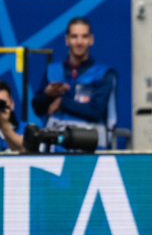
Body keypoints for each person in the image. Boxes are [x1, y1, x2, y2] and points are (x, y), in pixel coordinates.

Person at [31, 17, 116, 150]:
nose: (79, 42)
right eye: (74, 36)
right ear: (67, 40)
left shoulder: (104, 74)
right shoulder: (53, 70)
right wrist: (47, 95)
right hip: (56, 149)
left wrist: (61, 102)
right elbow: (38, 109)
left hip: (91, 150)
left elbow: (95, 111)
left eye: (84, 36)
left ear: (91, 39)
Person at [0, 80, 26, 152]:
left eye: (3, 103)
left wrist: (4, 126)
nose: (1, 108)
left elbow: (26, 150)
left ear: (12, 104)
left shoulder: (26, 130)